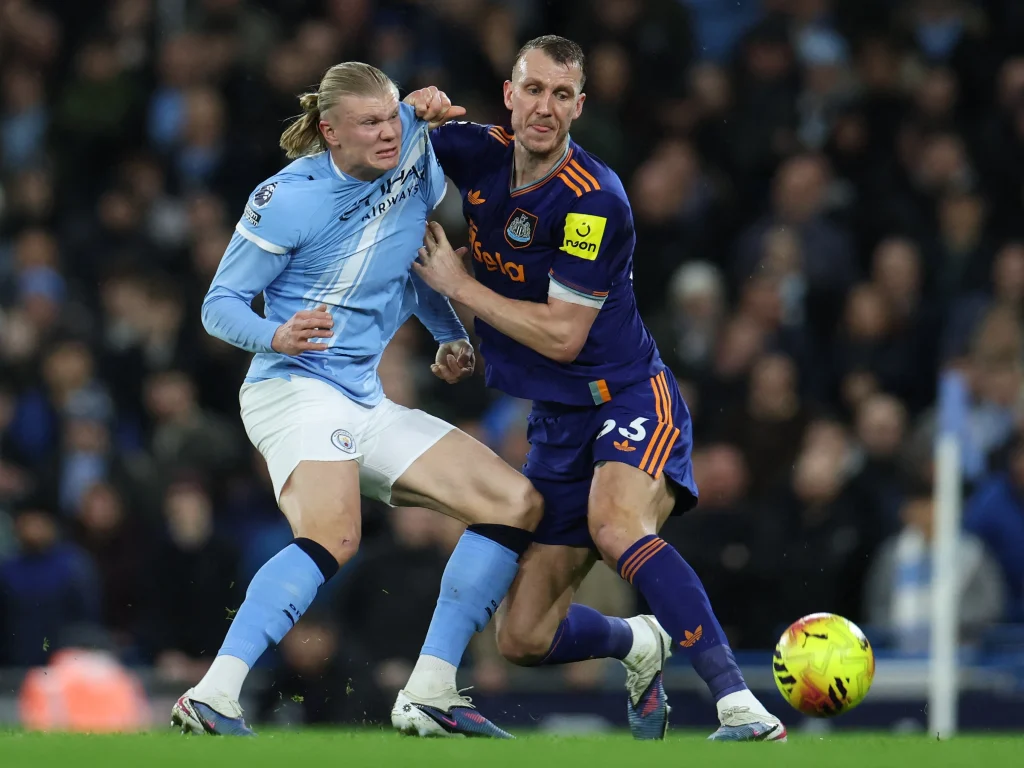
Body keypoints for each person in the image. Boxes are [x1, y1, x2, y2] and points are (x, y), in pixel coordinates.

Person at [406, 36, 786, 742]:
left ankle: (739, 702)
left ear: (579, 106)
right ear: (509, 94)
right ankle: (639, 642)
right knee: (521, 638)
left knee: (617, 527)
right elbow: (391, 158)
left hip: (629, 398)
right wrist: (407, 109)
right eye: (534, 89)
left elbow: (563, 336)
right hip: (556, 423)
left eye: (561, 95)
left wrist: (458, 289)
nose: (544, 107)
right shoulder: (471, 150)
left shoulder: (594, 200)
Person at [171, 62, 543, 738]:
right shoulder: (287, 196)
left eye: (390, 115)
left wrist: (449, 333)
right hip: (294, 387)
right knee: (333, 535)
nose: (386, 132)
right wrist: (276, 333)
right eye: (369, 123)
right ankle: (214, 694)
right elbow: (218, 306)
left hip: (363, 398)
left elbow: (411, 260)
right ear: (329, 131)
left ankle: (431, 689)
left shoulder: (418, 150)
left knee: (514, 503)